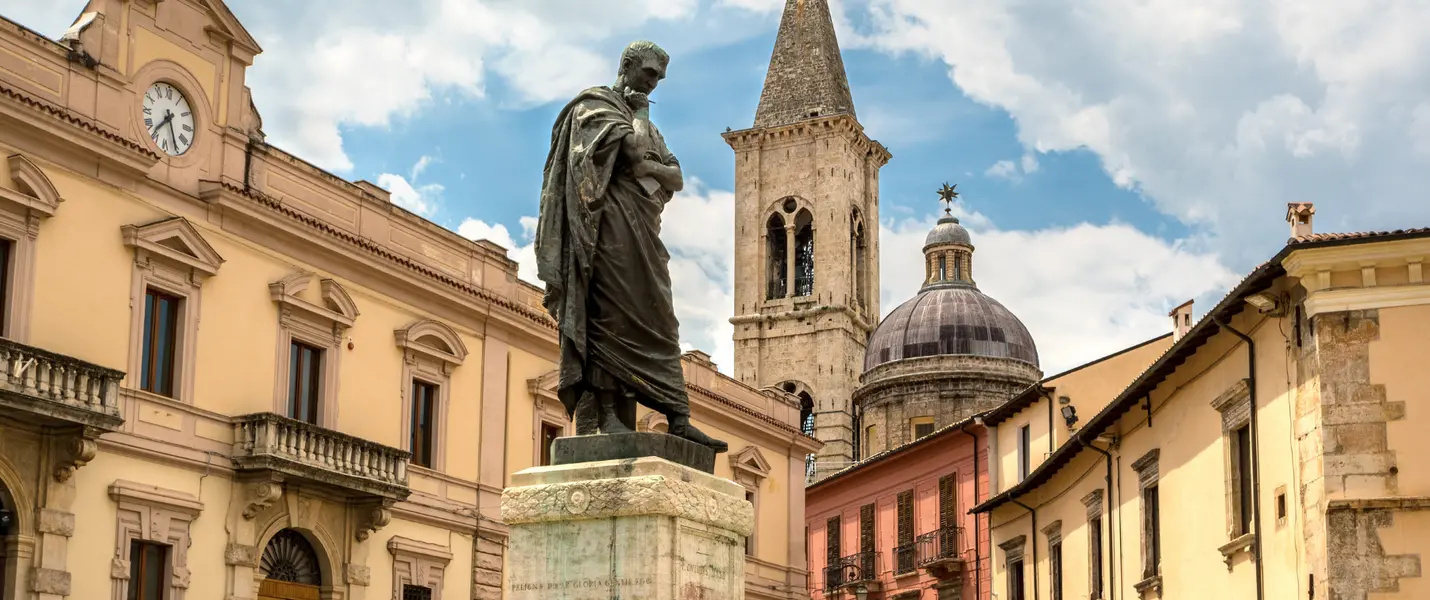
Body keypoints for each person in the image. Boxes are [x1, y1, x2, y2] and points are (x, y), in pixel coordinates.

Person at [534, 40, 727, 453]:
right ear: (627, 65)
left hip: (643, 237)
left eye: (659, 78)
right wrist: (640, 122)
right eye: (649, 74)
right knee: (611, 320)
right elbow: (637, 154)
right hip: (606, 237)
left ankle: (679, 419)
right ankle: (605, 417)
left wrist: (651, 165)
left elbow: (674, 175)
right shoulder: (595, 108)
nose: (654, 84)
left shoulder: (645, 124)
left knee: (663, 322)